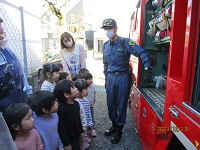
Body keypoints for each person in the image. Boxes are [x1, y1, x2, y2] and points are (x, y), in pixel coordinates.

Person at [101, 18, 152, 144]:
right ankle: (114, 124)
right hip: (111, 78)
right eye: (106, 29)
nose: (108, 31)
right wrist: (107, 78)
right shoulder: (105, 45)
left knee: (121, 104)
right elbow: (105, 64)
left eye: (110, 28)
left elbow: (142, 52)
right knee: (110, 104)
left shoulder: (125, 42)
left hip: (123, 77)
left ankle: (119, 129)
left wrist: (147, 68)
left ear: (116, 28)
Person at [0, 17, 32, 112]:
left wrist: (29, 92)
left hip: (21, 106)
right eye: (1, 33)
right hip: (5, 114)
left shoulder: (7, 50)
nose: (4, 36)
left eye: (3, 32)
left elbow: (21, 73)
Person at [54, 79, 84, 150]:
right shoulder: (61, 108)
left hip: (76, 135)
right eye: (73, 87)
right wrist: (66, 143)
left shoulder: (76, 104)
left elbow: (78, 118)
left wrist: (81, 131)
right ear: (67, 95)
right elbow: (61, 127)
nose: (76, 88)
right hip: (68, 139)